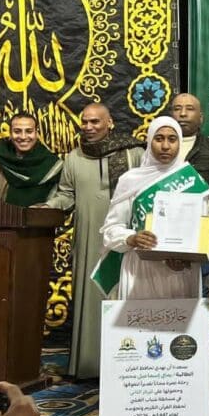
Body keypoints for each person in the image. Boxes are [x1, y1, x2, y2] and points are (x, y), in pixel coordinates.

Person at [43, 103, 144, 379]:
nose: (88, 127)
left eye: (95, 122)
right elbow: (66, 195)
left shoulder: (134, 153)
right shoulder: (74, 157)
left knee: (121, 296)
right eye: (85, 122)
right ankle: (89, 365)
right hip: (89, 241)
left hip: (126, 242)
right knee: (90, 299)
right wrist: (47, 207)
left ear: (109, 123)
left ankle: (125, 368)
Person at [99, 117, 208, 299]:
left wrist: (185, 259)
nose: (165, 146)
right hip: (140, 271)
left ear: (180, 143)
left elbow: (201, 232)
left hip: (181, 274)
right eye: (159, 139)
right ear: (149, 141)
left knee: (178, 316)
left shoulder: (191, 180)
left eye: (172, 139)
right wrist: (131, 238)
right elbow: (111, 229)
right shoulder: (130, 181)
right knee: (140, 317)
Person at [171, 93, 209, 216]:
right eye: (177, 109)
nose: (183, 114)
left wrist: (196, 215)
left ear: (201, 118)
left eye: (189, 109)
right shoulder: (159, 148)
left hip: (202, 219)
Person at [0, 112, 62, 206]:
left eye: (29, 131)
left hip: (41, 214)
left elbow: (62, 197)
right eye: (17, 131)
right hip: (1, 214)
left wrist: (44, 208)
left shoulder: (52, 163)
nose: (23, 137)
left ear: (36, 133)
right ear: (10, 134)